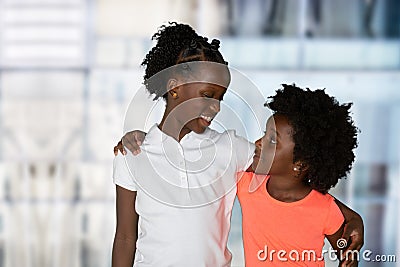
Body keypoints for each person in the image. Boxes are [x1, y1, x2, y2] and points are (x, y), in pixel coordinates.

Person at [113, 22, 364, 267]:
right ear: (175, 87)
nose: (216, 107)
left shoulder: (231, 148)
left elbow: (291, 171)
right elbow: (125, 237)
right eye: (208, 95)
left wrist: (348, 216)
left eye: (221, 98)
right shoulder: (132, 154)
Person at [237, 84, 359, 266]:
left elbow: (348, 255)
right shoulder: (246, 184)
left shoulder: (324, 209)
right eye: (264, 134)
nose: (258, 143)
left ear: (299, 164)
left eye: (272, 140)